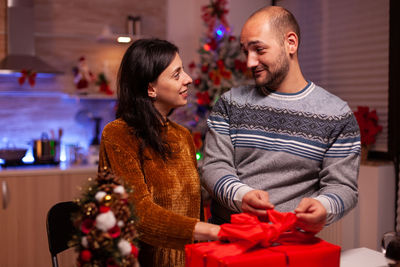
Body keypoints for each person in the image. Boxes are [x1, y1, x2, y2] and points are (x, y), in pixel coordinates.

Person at [201, 6, 360, 233]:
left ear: (291, 43)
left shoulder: (337, 115)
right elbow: (214, 166)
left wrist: (323, 206)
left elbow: (342, 186)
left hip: (289, 243)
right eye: (246, 51)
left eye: (259, 49)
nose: (249, 62)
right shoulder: (230, 104)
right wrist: (241, 196)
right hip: (228, 237)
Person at [98, 38, 220, 267]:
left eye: (183, 71)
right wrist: (213, 232)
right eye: (177, 74)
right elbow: (139, 214)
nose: (189, 79)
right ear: (151, 88)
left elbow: (194, 210)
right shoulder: (118, 135)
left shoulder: (183, 136)